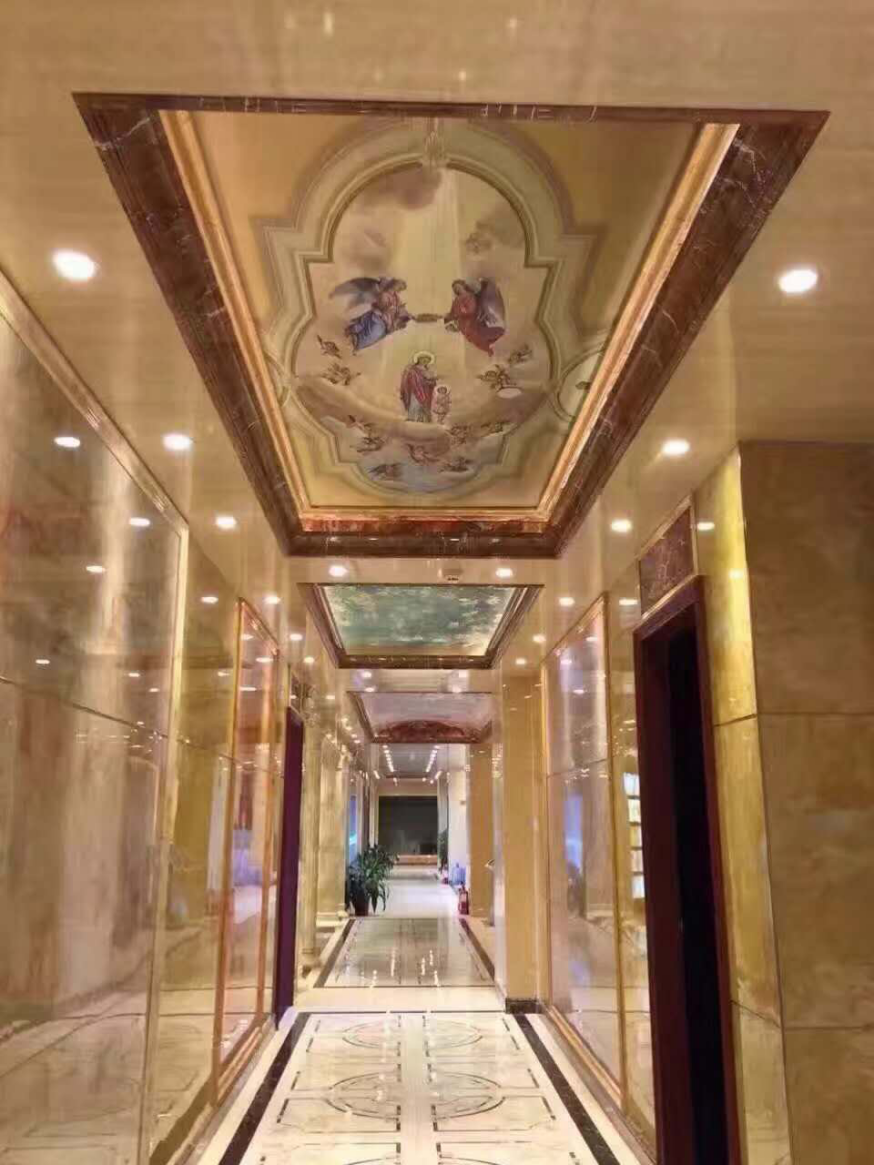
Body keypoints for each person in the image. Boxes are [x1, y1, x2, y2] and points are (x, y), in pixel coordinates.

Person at [444, 278, 506, 355]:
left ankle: (490, 341)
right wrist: (449, 317)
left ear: (463, 285)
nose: (457, 289)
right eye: (455, 289)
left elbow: (474, 304)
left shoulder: (470, 294)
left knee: (479, 333)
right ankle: (489, 343)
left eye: (458, 286)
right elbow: (453, 313)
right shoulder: (456, 301)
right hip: (471, 321)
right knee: (476, 334)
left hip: (475, 315)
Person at [400, 353, 438, 422]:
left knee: (424, 404)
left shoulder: (428, 370)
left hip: (425, 390)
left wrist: (431, 381)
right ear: (418, 360)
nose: (425, 361)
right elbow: (410, 378)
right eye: (423, 359)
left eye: (427, 360)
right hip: (415, 389)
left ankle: (422, 419)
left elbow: (431, 380)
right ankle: (412, 417)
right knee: (415, 403)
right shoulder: (412, 369)